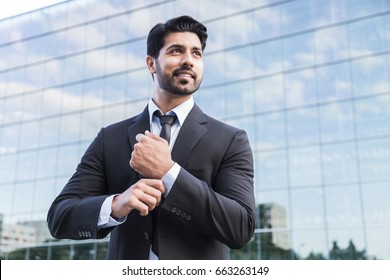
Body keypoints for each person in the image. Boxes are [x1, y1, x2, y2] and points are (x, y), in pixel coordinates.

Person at [47, 15, 256, 260]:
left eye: (197, 53)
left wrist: (169, 172)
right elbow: (59, 217)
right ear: (151, 63)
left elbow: (241, 228)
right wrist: (116, 205)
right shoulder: (110, 138)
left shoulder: (230, 140)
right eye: (177, 51)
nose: (189, 60)